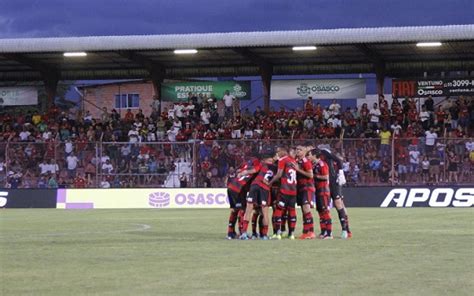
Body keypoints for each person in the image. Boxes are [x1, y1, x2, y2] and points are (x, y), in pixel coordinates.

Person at [239, 154, 276, 240]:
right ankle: (265, 235)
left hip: (255, 185)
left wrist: (243, 172)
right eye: (270, 160)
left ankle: (244, 233)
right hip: (265, 189)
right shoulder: (276, 168)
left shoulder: (262, 164)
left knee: (249, 209)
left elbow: (253, 170)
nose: (270, 162)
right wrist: (269, 184)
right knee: (265, 213)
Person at [319, 147, 352, 239]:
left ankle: (346, 229)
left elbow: (338, 159)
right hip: (324, 183)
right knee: (324, 207)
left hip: (333, 182)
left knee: (339, 204)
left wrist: (341, 172)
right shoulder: (309, 157)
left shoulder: (322, 152)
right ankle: (326, 231)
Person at [267, 146, 298, 240]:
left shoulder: (283, 160)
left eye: (278, 152)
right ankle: (291, 234)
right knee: (292, 210)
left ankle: (278, 233)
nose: (277, 154)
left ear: (283, 151)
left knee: (278, 210)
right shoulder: (293, 160)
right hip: (293, 190)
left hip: (284, 190)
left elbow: (279, 174)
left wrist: (270, 183)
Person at [225, 157, 260, 239]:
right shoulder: (256, 167)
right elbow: (255, 169)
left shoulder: (244, 166)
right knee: (242, 210)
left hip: (231, 187)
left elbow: (238, 171)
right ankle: (242, 233)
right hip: (238, 189)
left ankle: (231, 232)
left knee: (234, 210)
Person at [306, 148, 333, 239]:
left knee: (325, 211)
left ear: (314, 155)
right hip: (318, 191)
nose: (308, 157)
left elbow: (326, 177)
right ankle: (323, 232)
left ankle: (329, 233)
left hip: (323, 191)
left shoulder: (322, 164)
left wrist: (314, 176)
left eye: (309, 155)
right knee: (320, 212)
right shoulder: (314, 165)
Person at [293, 145, 316, 239]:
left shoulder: (306, 162)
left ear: (304, 152)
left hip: (307, 187)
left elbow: (311, 175)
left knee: (306, 209)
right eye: (296, 149)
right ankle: (306, 231)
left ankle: (311, 231)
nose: (297, 151)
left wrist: (298, 170)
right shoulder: (297, 161)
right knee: (303, 210)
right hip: (300, 188)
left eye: (300, 150)